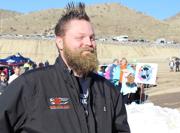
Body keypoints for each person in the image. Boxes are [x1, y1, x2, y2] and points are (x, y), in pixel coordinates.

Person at [0, 2, 130, 133]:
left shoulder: (108, 91)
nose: (89, 43)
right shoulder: (31, 85)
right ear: (60, 42)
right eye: (80, 37)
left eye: (92, 38)